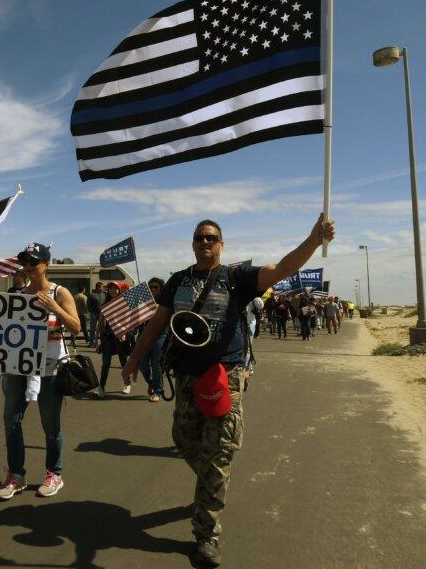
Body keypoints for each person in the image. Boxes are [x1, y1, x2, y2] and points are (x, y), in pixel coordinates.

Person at [123, 215, 335, 567]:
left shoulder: (237, 278)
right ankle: (211, 485)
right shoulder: (178, 280)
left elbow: (282, 268)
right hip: (187, 377)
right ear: (192, 244)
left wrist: (313, 240)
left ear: (222, 244)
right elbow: (158, 323)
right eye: (199, 238)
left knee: (219, 452)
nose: (205, 242)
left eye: (212, 238)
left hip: (225, 376)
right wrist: (134, 358)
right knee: (184, 440)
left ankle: (206, 534)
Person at [0, 243, 81, 501]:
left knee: (50, 425)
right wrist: (6, 363)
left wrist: (55, 308)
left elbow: (76, 326)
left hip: (50, 368)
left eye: (34, 262)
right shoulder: (18, 295)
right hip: (19, 367)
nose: (29, 267)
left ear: (47, 264)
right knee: (11, 420)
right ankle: (16, 475)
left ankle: (54, 473)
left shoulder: (60, 292)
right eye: (26, 263)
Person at [96, 282, 133, 397]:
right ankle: (101, 387)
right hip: (109, 337)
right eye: (111, 288)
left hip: (122, 336)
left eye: (115, 288)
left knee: (123, 362)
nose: (113, 290)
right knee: (106, 362)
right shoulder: (106, 304)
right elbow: (101, 322)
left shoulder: (125, 303)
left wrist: (125, 332)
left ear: (119, 290)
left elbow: (130, 320)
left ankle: (127, 384)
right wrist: (96, 337)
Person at [138, 277, 168, 402]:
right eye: (151, 287)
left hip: (161, 335)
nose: (153, 289)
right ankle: (151, 382)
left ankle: (158, 391)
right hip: (146, 335)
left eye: (156, 287)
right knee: (142, 364)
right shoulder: (144, 302)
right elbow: (136, 320)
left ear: (161, 288)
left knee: (157, 364)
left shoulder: (165, 302)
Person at [88, 281, 105, 346]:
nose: (102, 288)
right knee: (93, 328)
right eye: (101, 287)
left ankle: (102, 342)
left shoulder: (104, 295)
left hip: (102, 314)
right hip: (94, 314)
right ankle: (91, 342)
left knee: (103, 328)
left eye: (102, 287)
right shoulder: (92, 295)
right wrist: (92, 311)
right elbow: (88, 305)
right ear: (97, 288)